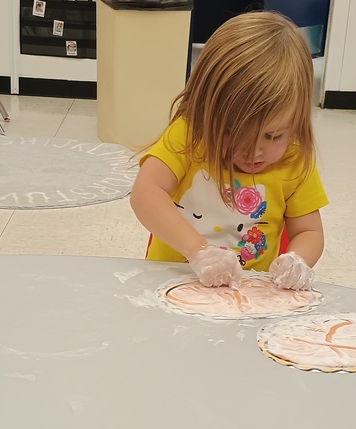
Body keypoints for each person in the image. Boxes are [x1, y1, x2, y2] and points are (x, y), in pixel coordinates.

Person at [129, 11, 327, 291]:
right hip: (171, 285)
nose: (255, 152)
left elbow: (309, 231)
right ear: (205, 111)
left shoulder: (295, 158)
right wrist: (199, 252)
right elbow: (145, 194)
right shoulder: (191, 135)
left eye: (273, 136)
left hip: (248, 296)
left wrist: (298, 260)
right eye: (233, 134)